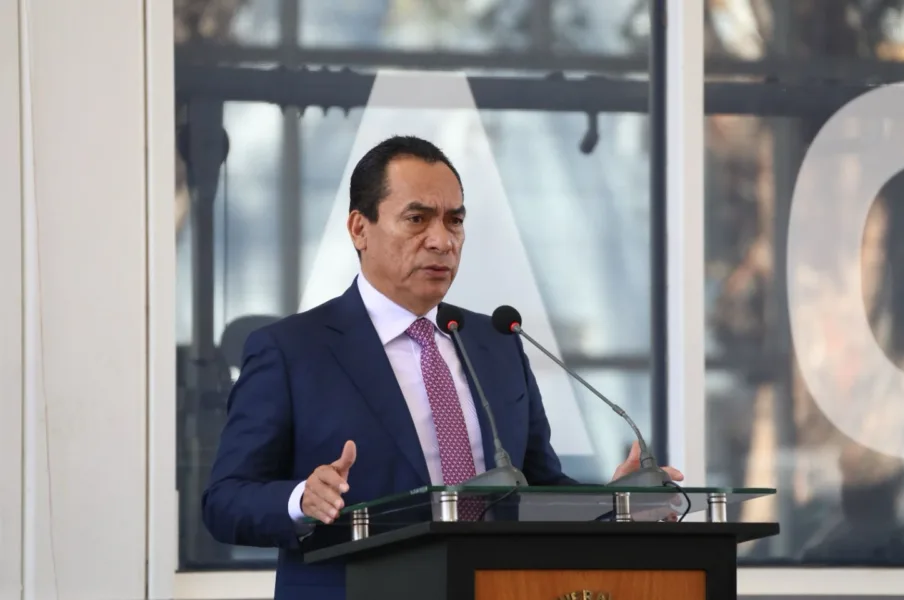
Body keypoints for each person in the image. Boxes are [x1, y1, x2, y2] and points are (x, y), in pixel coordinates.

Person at [202, 135, 683, 600]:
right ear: (359, 229)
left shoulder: (497, 342)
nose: (442, 240)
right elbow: (225, 501)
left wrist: (613, 505)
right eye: (417, 219)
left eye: (455, 221)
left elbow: (535, 487)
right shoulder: (292, 350)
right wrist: (301, 499)